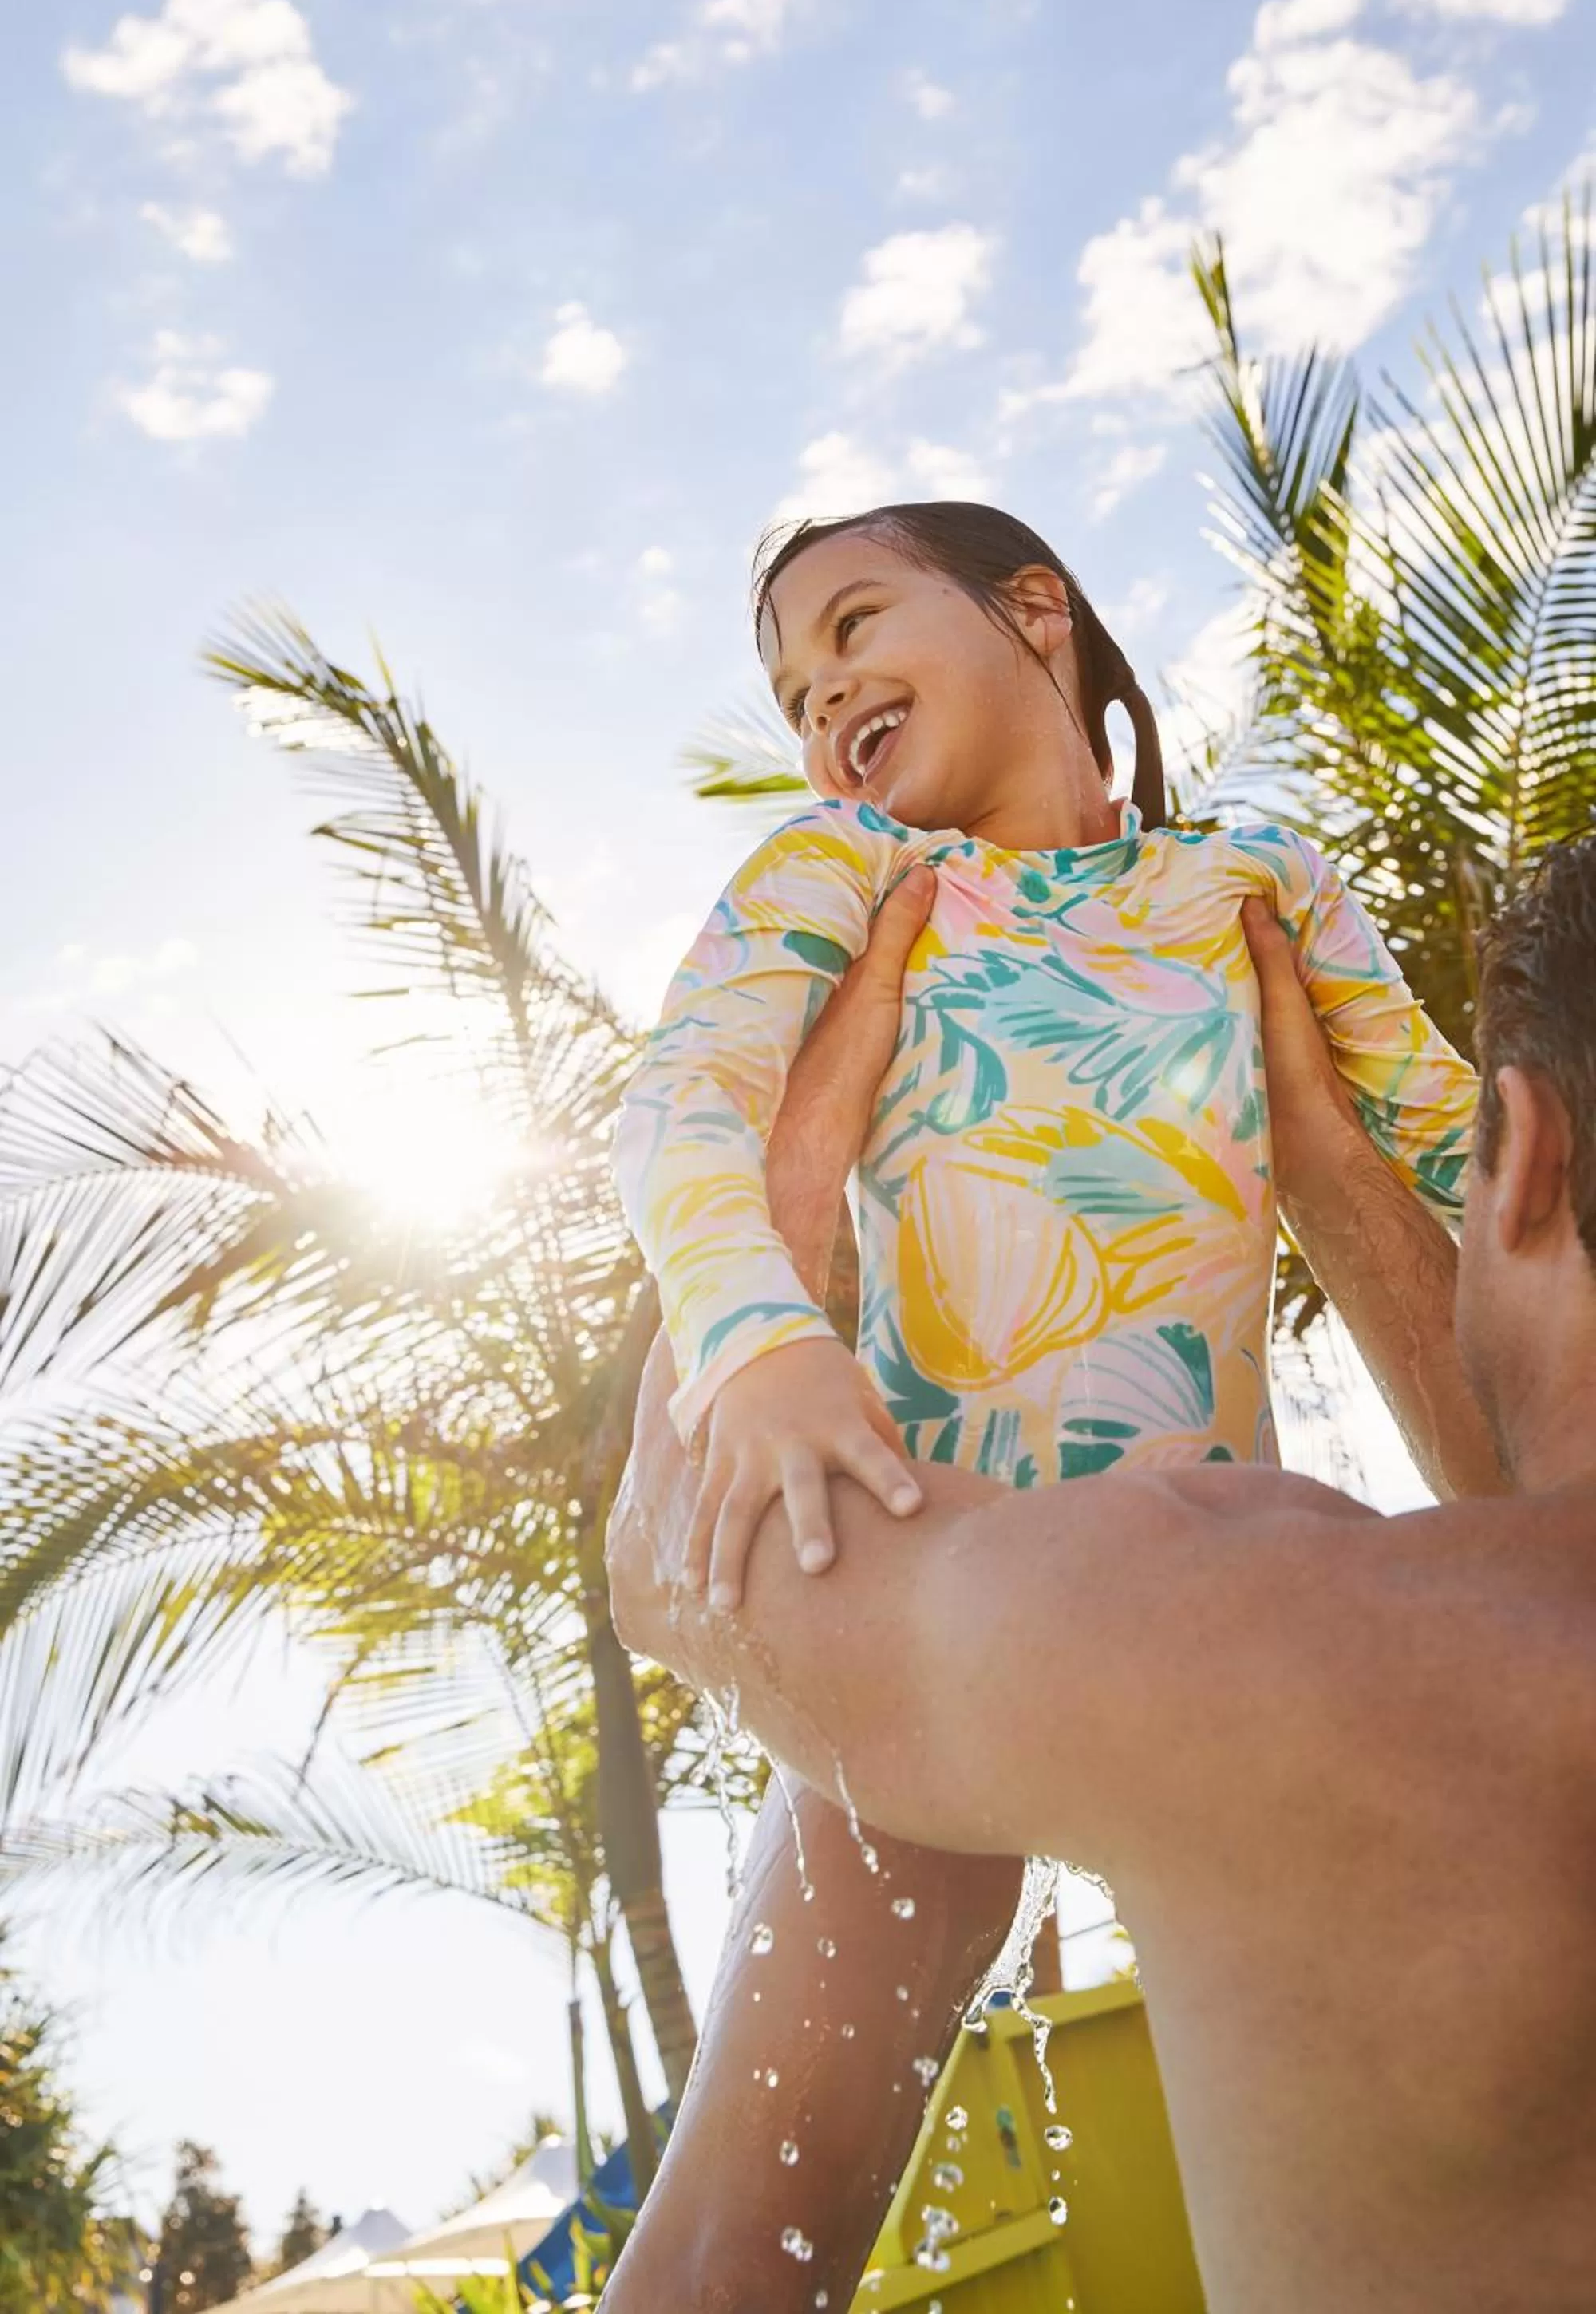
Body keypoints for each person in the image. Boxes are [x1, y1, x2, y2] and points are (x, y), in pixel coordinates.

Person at [606, 501, 1494, 2305]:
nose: (821, 690)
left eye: (855, 622)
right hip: (919, 1583)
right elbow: (675, 1106)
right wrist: (760, 1342)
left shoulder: (1255, 886)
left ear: (1036, 613)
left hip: (1205, 1618)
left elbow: (1473, 1158)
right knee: (759, 2224)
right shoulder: (839, 871)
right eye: (788, 684)